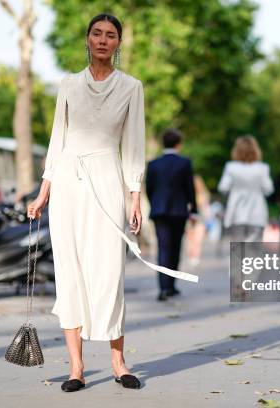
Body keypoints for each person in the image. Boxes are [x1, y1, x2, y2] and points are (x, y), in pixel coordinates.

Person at [26, 14, 198, 393]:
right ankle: (76, 367)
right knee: (70, 273)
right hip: (68, 183)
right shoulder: (68, 85)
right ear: (87, 39)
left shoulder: (132, 87)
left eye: (111, 35)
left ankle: (119, 363)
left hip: (107, 179)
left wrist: (135, 197)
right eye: (97, 34)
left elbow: (134, 146)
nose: (103, 40)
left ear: (118, 43)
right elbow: (57, 140)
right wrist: (43, 192)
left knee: (109, 274)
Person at [145, 128, 199, 301]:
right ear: (178, 143)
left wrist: (155, 205)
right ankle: (171, 286)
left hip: (159, 211)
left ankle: (163, 288)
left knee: (163, 248)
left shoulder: (153, 164)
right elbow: (190, 189)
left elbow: (149, 188)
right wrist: (194, 210)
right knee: (175, 248)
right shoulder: (184, 163)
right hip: (178, 211)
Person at [217, 135, 274, 242]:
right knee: (254, 249)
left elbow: (223, 187)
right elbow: (268, 189)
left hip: (236, 210)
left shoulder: (231, 167)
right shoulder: (262, 168)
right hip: (257, 211)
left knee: (238, 247)